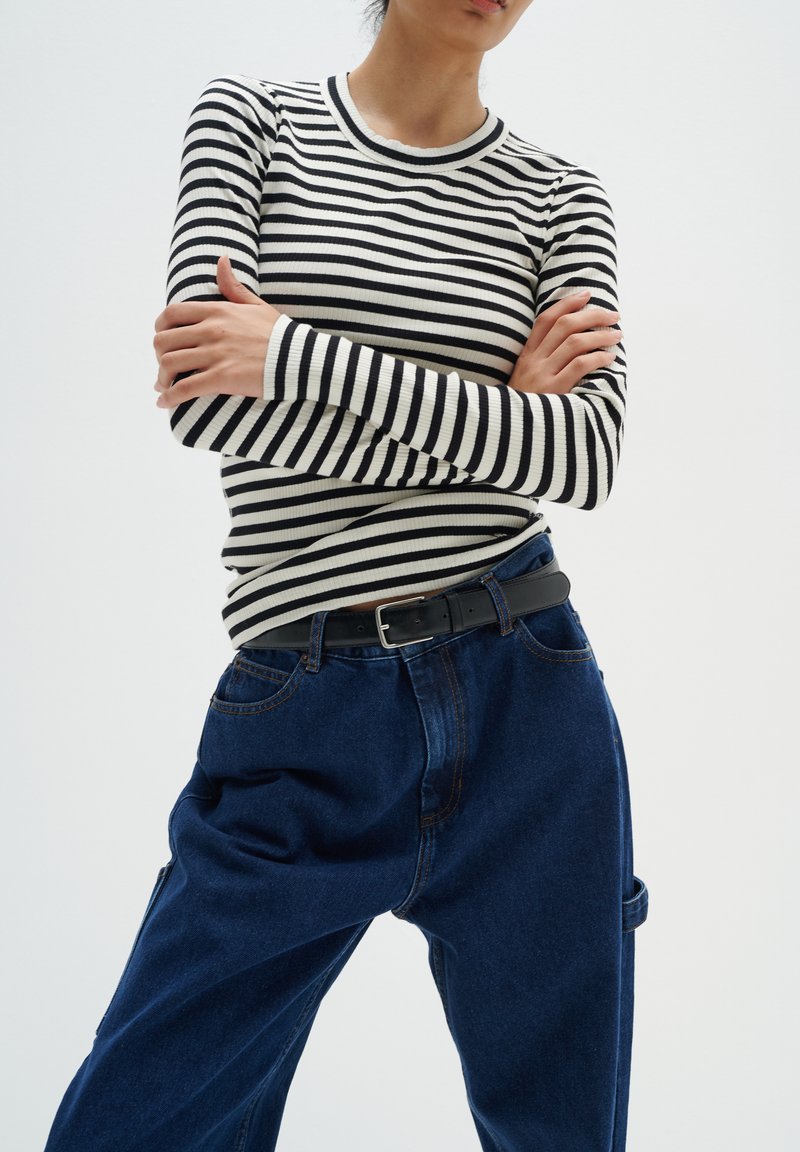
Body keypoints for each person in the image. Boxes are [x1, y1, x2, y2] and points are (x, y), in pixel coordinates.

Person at [44, 1, 649, 1148]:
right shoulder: (250, 124)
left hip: (527, 703)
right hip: (303, 710)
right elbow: (207, 403)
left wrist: (291, 353)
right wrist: (499, 415)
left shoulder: (558, 197)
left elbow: (582, 456)